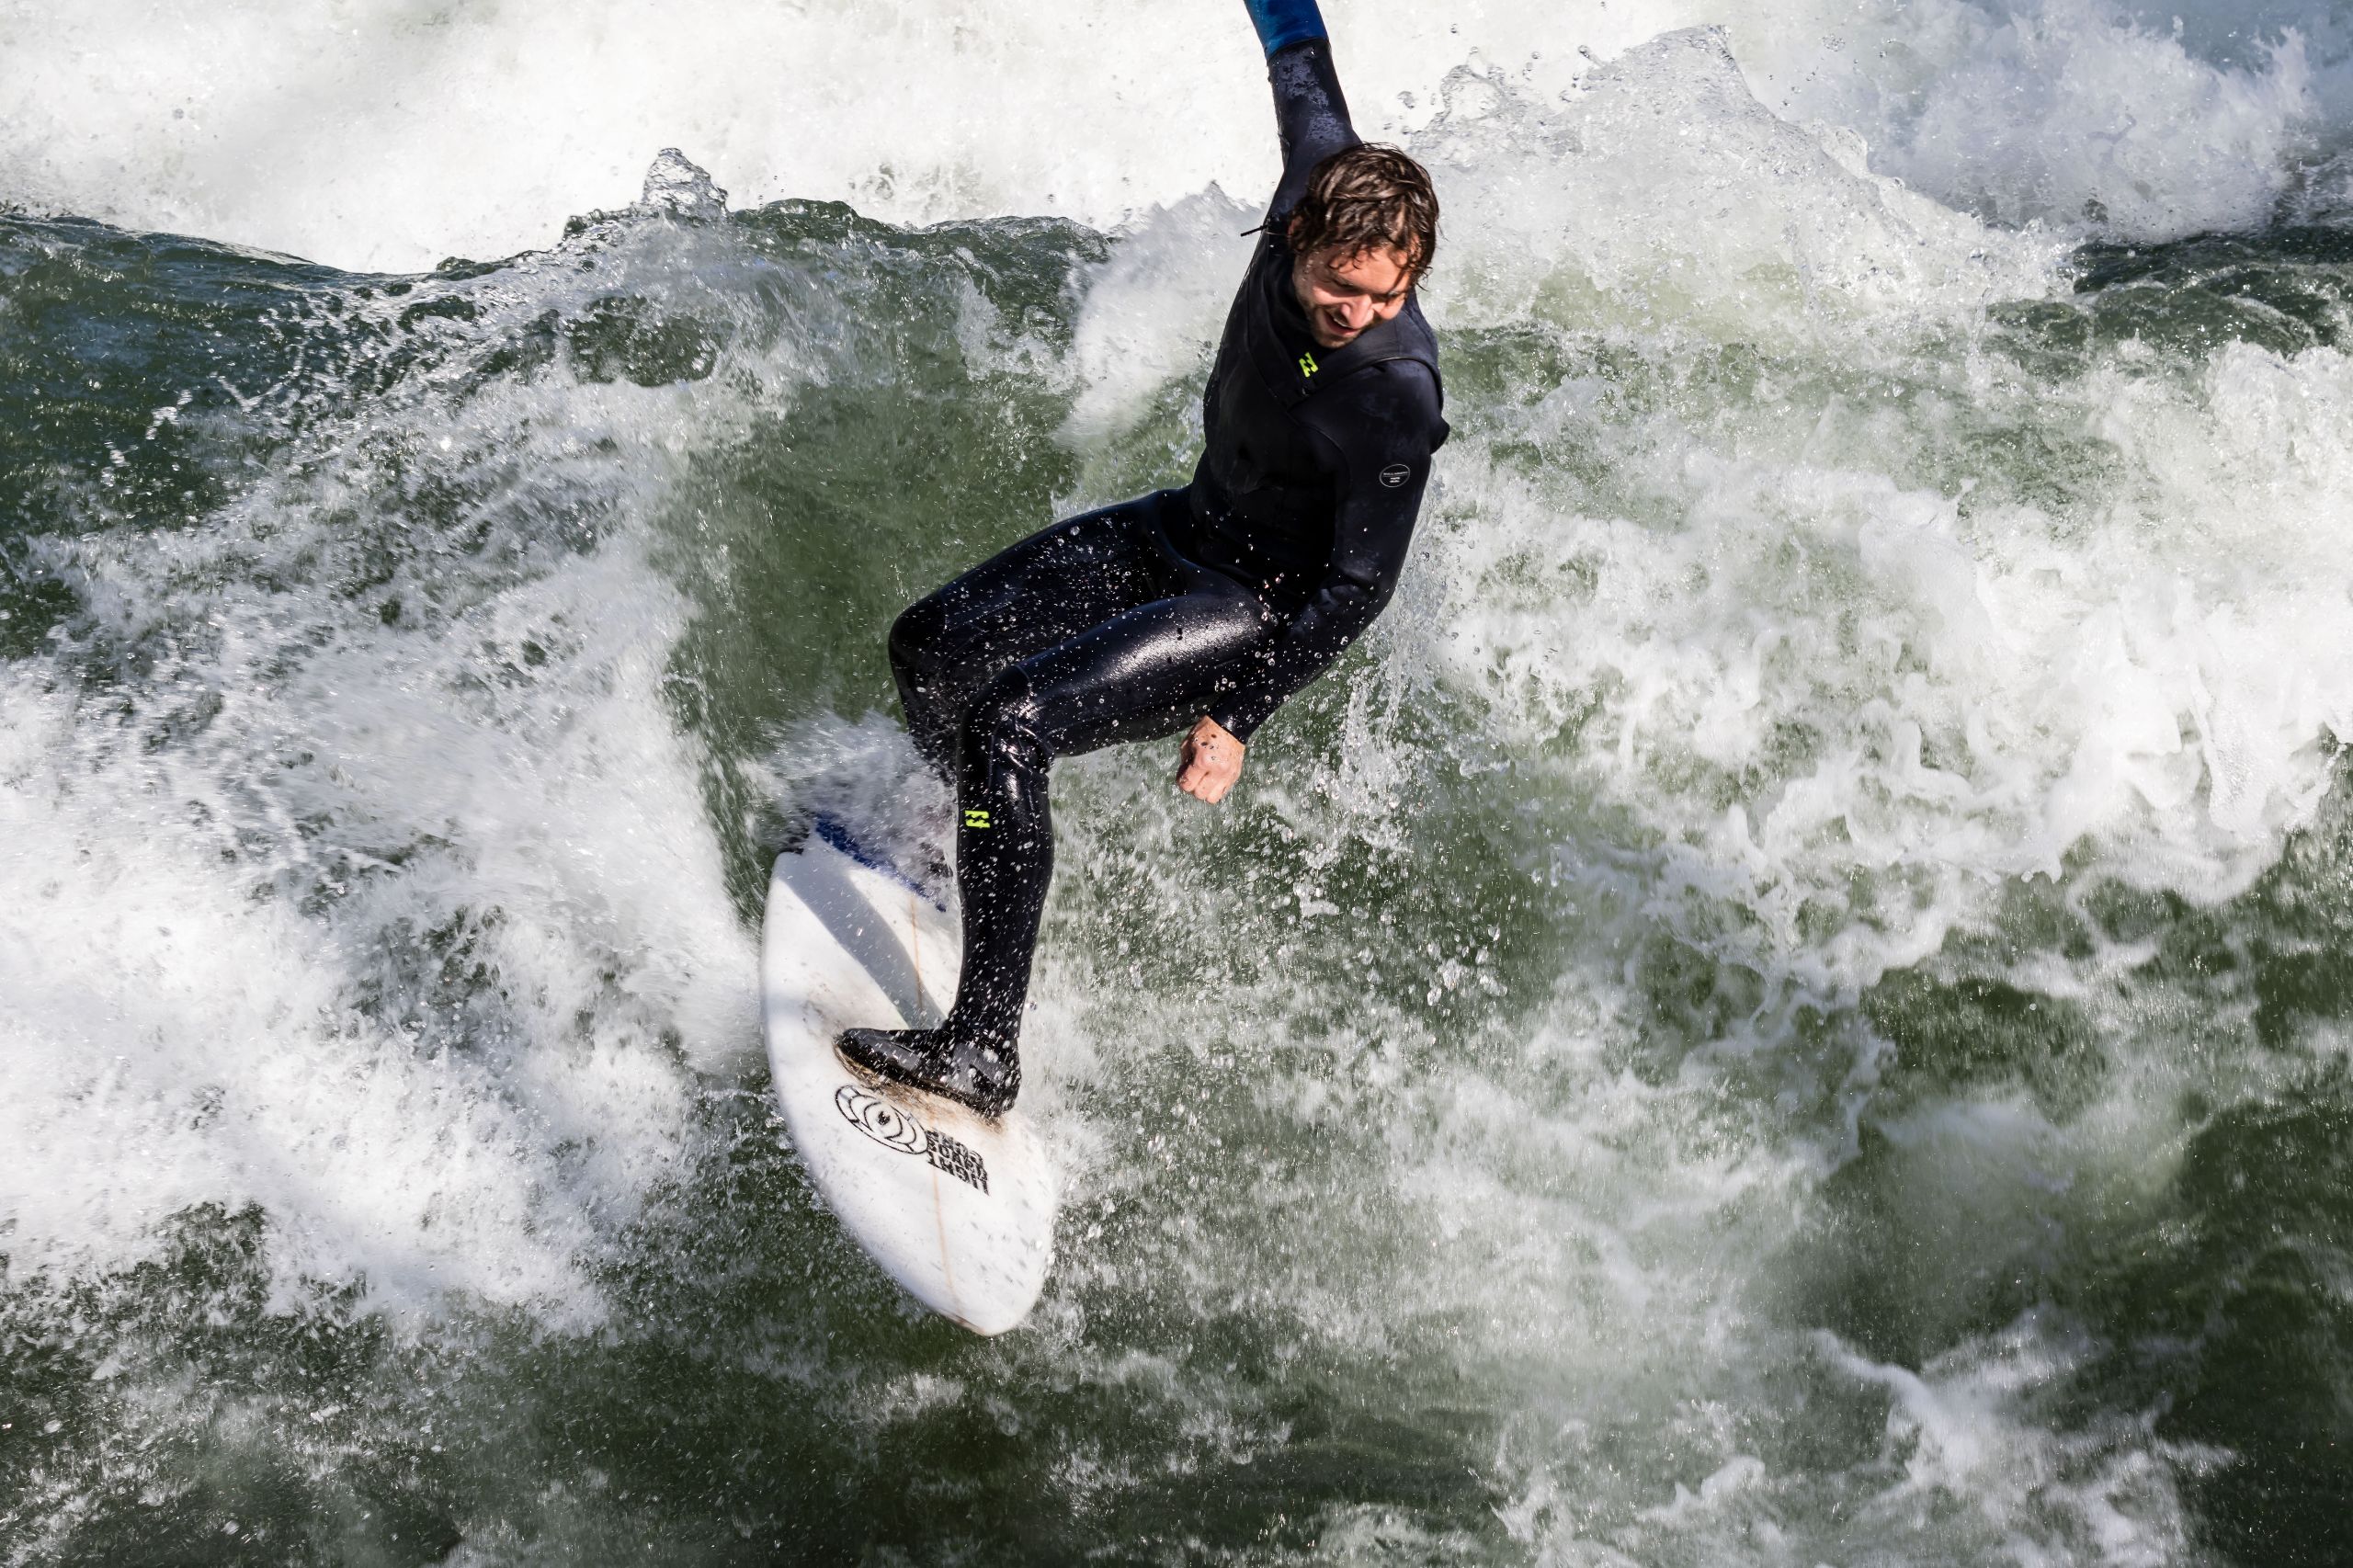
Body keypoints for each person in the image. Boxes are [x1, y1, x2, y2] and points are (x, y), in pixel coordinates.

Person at [839, 0, 1449, 1116]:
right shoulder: (1315, 166)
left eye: (1385, 295)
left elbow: (1359, 587)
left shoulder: (1395, 395)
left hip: (1248, 607)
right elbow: (1296, 48)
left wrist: (1239, 715)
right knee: (928, 649)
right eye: (1338, 285)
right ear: (1297, 227)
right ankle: (964, 838)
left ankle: (981, 1051)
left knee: (1009, 719)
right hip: (1179, 527)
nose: (1356, 312)